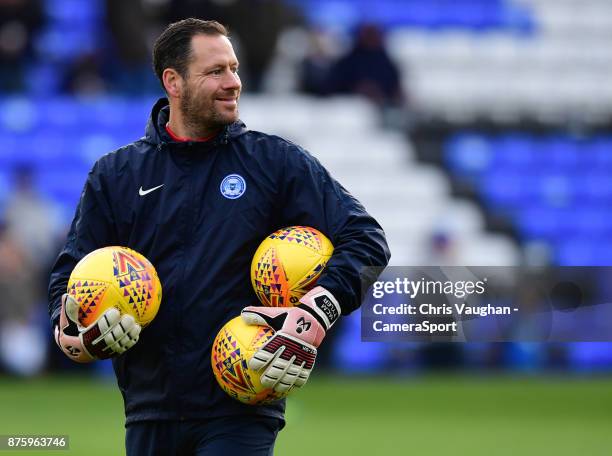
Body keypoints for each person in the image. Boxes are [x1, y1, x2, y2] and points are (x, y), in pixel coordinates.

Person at [48, 18, 390, 455]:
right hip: (150, 410)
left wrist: (316, 311)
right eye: (216, 72)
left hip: (243, 402)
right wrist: (75, 336)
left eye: (235, 69)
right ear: (173, 81)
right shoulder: (115, 175)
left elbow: (367, 240)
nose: (233, 83)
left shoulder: (275, 162)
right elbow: (66, 283)